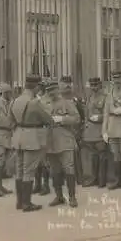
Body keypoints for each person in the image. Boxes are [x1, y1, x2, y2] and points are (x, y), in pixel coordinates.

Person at [10, 74, 54, 212]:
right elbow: (48, 119)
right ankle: (27, 203)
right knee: (28, 171)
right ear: (35, 87)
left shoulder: (15, 100)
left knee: (19, 170)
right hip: (31, 136)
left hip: (18, 136)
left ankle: (19, 201)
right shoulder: (34, 102)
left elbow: (10, 119)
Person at [46, 78, 82, 207]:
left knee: (69, 168)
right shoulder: (45, 104)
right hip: (50, 141)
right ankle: (59, 196)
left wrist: (62, 119)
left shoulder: (67, 103)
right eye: (48, 91)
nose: (51, 93)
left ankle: (72, 197)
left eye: (53, 90)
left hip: (65, 139)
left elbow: (77, 119)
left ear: (58, 90)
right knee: (55, 170)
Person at [81, 77, 108, 188]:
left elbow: (108, 113)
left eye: (96, 85)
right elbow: (86, 113)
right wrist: (86, 124)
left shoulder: (105, 98)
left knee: (102, 156)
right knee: (93, 156)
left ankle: (102, 180)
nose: (94, 87)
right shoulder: (90, 97)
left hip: (100, 129)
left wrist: (100, 117)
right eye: (92, 85)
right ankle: (94, 179)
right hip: (90, 130)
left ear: (100, 85)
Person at [33, 79, 51, 196]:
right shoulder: (32, 100)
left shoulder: (47, 100)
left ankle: (46, 185)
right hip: (34, 131)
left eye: (40, 87)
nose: (38, 90)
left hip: (44, 130)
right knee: (36, 160)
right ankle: (37, 184)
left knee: (44, 161)